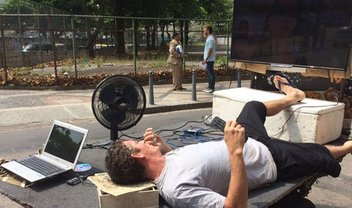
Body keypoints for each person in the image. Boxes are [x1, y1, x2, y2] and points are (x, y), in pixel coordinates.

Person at [105, 75, 351, 208]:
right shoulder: (175, 189)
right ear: (137, 155)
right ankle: (348, 146)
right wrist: (235, 152)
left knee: (252, 107)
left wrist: (165, 147)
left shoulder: (167, 161)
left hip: (247, 140)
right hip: (269, 160)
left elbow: (194, 164)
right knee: (318, 153)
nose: (142, 140)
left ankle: (294, 96)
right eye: (137, 143)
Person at [202, 26, 217, 93]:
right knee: (210, 73)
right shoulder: (209, 38)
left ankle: (211, 87)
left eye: (204, 30)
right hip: (209, 59)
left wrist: (206, 59)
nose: (203, 32)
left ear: (208, 30)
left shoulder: (210, 39)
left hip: (209, 60)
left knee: (211, 74)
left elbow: (210, 50)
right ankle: (209, 87)